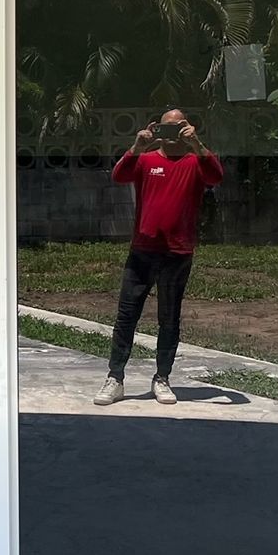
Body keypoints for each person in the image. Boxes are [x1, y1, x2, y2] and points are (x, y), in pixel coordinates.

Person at [93, 109, 223, 407]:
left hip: (178, 252)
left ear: (188, 128)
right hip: (143, 250)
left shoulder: (195, 162)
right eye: (167, 128)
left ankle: (162, 378)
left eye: (179, 127)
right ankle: (115, 378)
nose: (173, 133)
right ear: (157, 129)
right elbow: (119, 175)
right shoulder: (147, 160)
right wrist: (137, 147)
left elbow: (216, 177)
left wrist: (197, 144)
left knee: (169, 318)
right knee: (126, 316)